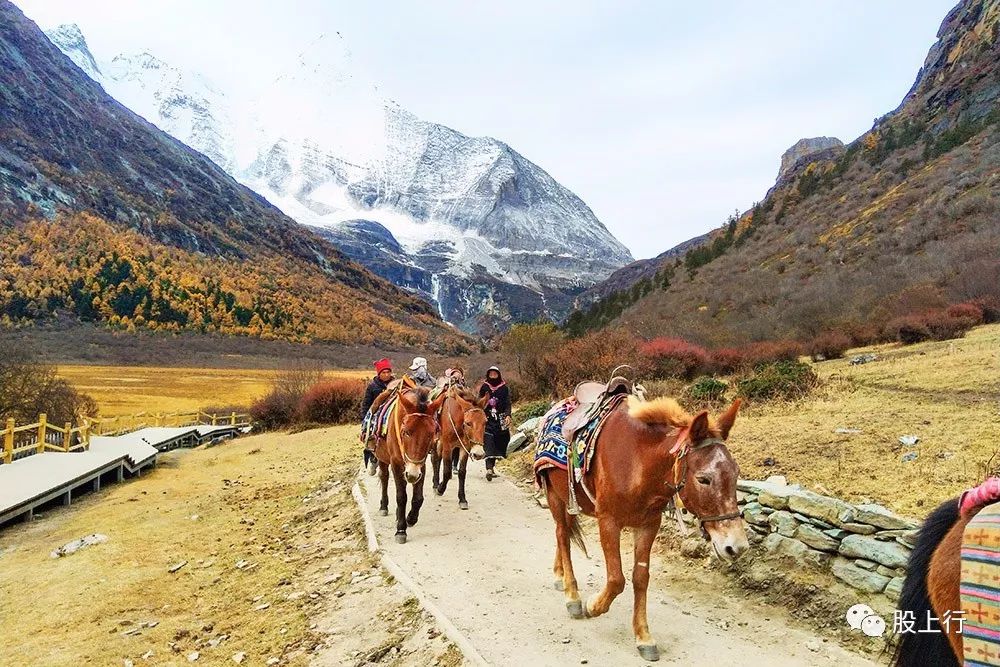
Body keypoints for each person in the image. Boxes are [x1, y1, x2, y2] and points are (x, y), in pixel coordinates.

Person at [361, 358, 393, 475]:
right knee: (372, 435)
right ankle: (373, 457)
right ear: (379, 374)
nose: (386, 374)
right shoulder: (373, 386)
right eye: (383, 372)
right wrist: (365, 419)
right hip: (376, 415)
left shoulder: (395, 385)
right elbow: (366, 404)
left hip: (390, 413)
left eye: (388, 372)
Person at [478, 365, 511, 481]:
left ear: (498, 375)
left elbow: (507, 403)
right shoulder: (484, 387)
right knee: (488, 440)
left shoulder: (504, 388)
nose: (493, 376)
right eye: (491, 374)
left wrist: (508, 415)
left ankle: (492, 466)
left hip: (500, 418)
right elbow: (480, 402)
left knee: (500, 439)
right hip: (488, 418)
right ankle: (489, 469)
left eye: (495, 374)